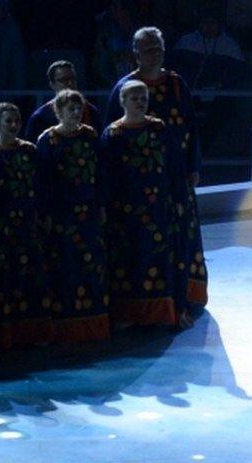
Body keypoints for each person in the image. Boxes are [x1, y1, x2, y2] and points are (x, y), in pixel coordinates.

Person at [105, 27, 208, 316]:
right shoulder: (123, 89)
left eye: (159, 48)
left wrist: (193, 166)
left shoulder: (176, 84)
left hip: (175, 180)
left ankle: (185, 295)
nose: (156, 53)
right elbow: (110, 137)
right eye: (149, 49)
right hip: (136, 186)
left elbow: (191, 127)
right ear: (135, 53)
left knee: (182, 235)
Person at [101, 80, 182, 327]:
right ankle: (127, 314)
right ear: (123, 101)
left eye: (143, 97)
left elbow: (174, 166)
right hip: (123, 208)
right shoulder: (112, 133)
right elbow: (104, 174)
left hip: (156, 206)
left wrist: (178, 198)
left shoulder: (159, 129)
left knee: (156, 255)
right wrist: (103, 205)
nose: (140, 102)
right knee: (127, 257)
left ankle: (159, 313)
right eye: (134, 98)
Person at [36, 90, 111, 343]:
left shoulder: (90, 136)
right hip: (62, 213)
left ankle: (94, 320)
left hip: (87, 210)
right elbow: (43, 181)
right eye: (70, 109)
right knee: (64, 263)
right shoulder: (48, 140)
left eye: (79, 109)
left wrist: (101, 205)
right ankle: (64, 324)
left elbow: (101, 173)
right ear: (58, 111)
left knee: (90, 262)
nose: (76, 113)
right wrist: (45, 213)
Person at [0, 103, 53, 348]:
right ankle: (5, 336)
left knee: (31, 276)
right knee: (6, 279)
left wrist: (43, 215)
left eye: (16, 120)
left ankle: (33, 333)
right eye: (7, 121)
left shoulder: (29, 151)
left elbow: (41, 186)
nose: (13, 125)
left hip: (28, 224)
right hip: (3, 227)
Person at [24, 60, 102, 143]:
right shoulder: (40, 117)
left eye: (72, 78)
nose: (70, 83)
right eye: (64, 80)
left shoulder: (90, 111)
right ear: (52, 85)